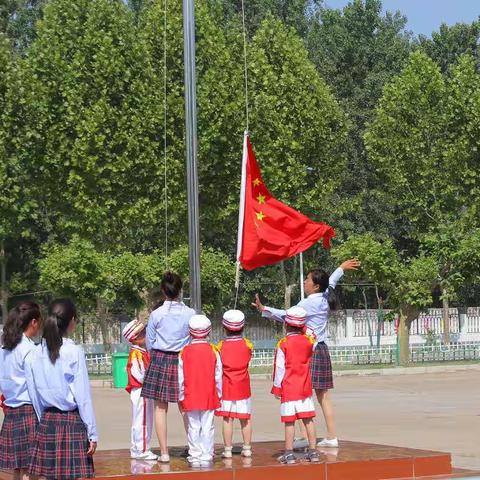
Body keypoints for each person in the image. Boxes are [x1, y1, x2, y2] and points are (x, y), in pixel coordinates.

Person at [254, 258, 360, 447]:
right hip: (321, 348)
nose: (304, 282)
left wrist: (265, 309)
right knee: (323, 395)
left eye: (308, 280)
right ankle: (331, 436)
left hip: (307, 350)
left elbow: (288, 315)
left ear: (316, 286)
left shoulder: (308, 303)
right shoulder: (326, 295)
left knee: (302, 393)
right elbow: (332, 281)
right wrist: (341, 268)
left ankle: (304, 438)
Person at [25, 298, 97, 480]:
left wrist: (43, 419)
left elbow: (34, 394)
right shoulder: (74, 351)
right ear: (71, 321)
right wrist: (92, 432)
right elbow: (83, 396)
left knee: (50, 477)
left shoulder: (34, 353)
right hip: (71, 421)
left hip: (47, 420)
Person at [142, 272, 195, 462]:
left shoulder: (156, 314)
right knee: (186, 406)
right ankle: (194, 448)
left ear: (163, 290)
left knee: (160, 409)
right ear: (180, 290)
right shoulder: (191, 313)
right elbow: (193, 337)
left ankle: (164, 453)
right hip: (183, 359)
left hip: (160, 359)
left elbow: (149, 342)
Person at [272, 306, 319, 464]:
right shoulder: (309, 342)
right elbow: (313, 335)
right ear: (302, 325)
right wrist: (304, 327)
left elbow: (279, 368)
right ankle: (313, 452)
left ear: (286, 324)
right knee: (308, 420)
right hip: (304, 388)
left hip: (289, 389)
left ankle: (289, 453)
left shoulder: (283, 344)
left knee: (289, 422)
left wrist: (277, 388)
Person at [0, 301, 41, 480]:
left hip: (11, 412)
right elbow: (36, 386)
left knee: (18, 469)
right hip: (29, 412)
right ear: (33, 322)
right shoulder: (29, 350)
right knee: (32, 471)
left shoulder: (5, 348)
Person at [178, 315, 222, 467]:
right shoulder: (213, 350)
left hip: (190, 394)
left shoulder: (184, 351)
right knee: (208, 425)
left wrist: (181, 395)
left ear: (190, 333)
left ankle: (194, 453)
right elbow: (218, 375)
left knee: (193, 425)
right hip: (209, 394)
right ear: (208, 332)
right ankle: (207, 453)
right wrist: (219, 393)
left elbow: (180, 377)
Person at [215, 309, 253, 458]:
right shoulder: (248, 344)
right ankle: (247, 448)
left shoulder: (219, 346)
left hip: (227, 387)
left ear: (224, 328)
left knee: (227, 419)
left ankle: (227, 450)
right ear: (243, 328)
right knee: (245, 419)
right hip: (243, 387)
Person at [122, 319, 156, 460]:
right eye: (142, 333)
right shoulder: (137, 353)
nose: (145, 334)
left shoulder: (141, 351)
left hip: (142, 391)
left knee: (140, 420)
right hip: (142, 391)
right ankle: (142, 450)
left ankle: (137, 448)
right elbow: (140, 375)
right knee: (142, 421)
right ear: (135, 338)